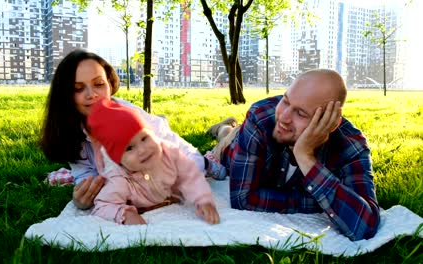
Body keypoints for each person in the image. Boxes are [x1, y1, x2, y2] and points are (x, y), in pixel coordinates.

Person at [39, 49, 225, 209]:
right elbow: (85, 172)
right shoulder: (71, 129)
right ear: (65, 96)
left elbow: (177, 153)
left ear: (110, 84)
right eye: (78, 88)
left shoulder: (130, 117)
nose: (91, 94)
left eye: (98, 84)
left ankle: (210, 161)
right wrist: (85, 195)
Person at [207, 69, 380, 241]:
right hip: (232, 146)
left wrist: (305, 156)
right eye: (286, 100)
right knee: (225, 142)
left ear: (330, 124)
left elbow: (365, 225)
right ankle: (223, 128)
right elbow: (242, 199)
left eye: (301, 113)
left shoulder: (351, 147)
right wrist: (320, 202)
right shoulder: (260, 117)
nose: (283, 117)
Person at [87, 98, 220, 225]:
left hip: (182, 172)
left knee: (197, 165)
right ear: (118, 160)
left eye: (144, 138)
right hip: (161, 193)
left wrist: (203, 199)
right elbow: (103, 205)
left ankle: (209, 163)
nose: (143, 150)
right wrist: (125, 214)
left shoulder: (167, 153)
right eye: (129, 148)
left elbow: (190, 175)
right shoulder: (120, 179)